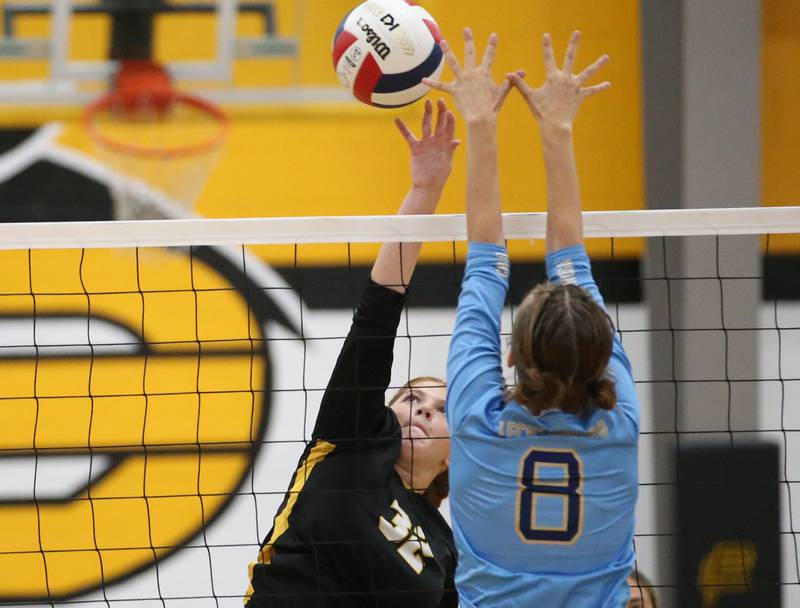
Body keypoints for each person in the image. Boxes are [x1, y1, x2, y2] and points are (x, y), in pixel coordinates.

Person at [424, 29, 639, 607]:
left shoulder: (479, 420)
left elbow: (492, 260)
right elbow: (503, 264)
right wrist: (554, 128)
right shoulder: (613, 424)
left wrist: (486, 125)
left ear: (512, 356)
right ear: (601, 358)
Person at [244, 99, 461, 607]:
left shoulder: (446, 549)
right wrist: (424, 192)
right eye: (413, 400)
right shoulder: (358, 440)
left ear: (458, 452)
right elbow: (377, 317)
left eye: (444, 410)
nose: (426, 410)